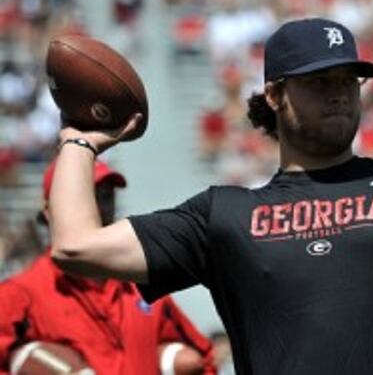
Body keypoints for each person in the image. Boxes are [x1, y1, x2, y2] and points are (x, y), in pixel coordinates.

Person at [48, 17, 373, 374]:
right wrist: (79, 138)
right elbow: (75, 247)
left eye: (349, 80)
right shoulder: (224, 214)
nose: (339, 91)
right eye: (320, 81)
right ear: (274, 94)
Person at [0, 160, 215, 375]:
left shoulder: (142, 281)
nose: (100, 208)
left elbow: (202, 360)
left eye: (106, 196)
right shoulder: (19, 293)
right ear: (49, 212)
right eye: (86, 197)